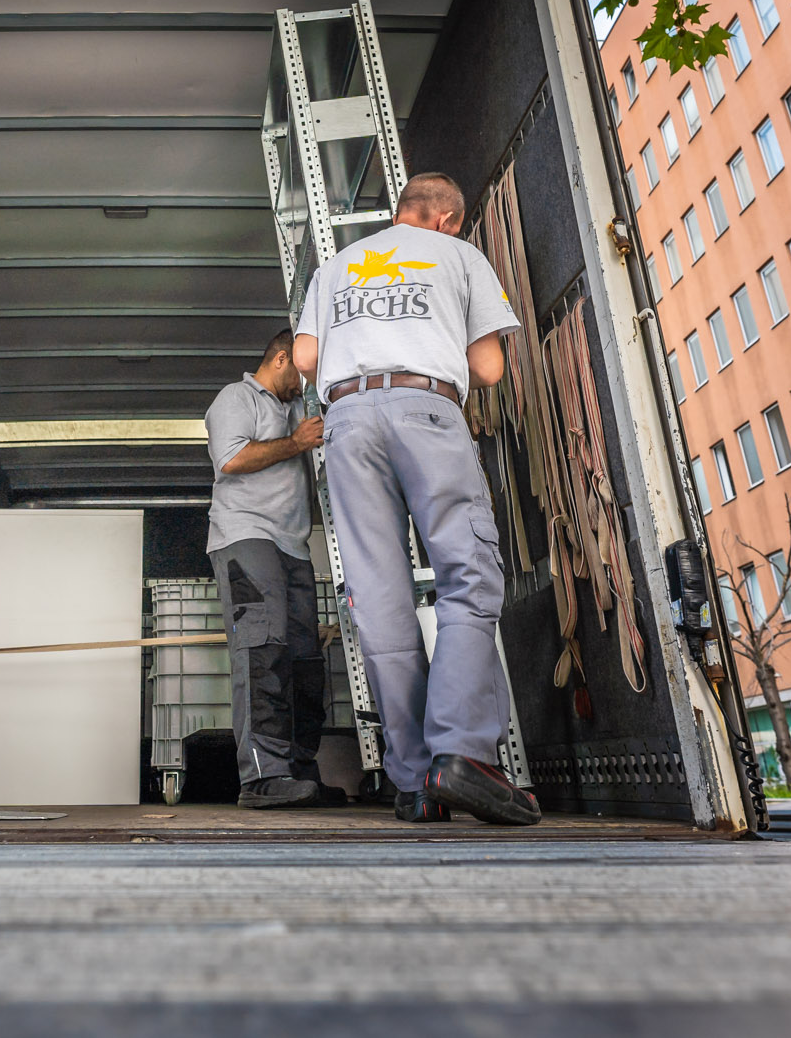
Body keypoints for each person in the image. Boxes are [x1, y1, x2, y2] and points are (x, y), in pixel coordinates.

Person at [292, 172, 539, 826]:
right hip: (425, 407)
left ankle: (415, 782)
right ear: (449, 220)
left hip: (345, 421)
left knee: (378, 598)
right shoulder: (460, 256)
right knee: (468, 575)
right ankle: (461, 754)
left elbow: (306, 357)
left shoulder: (337, 265)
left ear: (403, 212)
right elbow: (488, 369)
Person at [202, 328, 334, 809]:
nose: (305, 386)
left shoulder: (294, 406)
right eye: (300, 374)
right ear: (281, 360)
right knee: (263, 651)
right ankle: (262, 777)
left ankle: (299, 771)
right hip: (245, 537)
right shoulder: (237, 398)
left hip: (294, 547)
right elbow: (232, 459)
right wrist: (297, 442)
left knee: (304, 660)